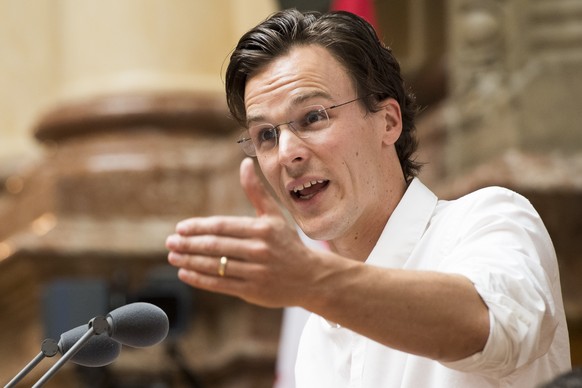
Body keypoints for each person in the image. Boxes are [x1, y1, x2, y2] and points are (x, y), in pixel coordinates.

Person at [165, 9, 571, 387]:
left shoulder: (488, 219)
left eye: (313, 117)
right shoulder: (315, 340)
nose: (287, 152)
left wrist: (312, 281)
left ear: (388, 121)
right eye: (266, 135)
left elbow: (493, 326)